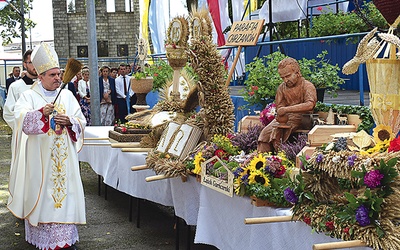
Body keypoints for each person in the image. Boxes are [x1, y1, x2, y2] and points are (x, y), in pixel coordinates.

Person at [10, 42, 86, 250]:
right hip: (39, 162)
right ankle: (43, 238)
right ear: (40, 76)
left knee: (65, 196)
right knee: (43, 197)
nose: (57, 78)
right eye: (52, 75)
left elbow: (81, 121)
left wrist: (70, 121)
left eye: (59, 74)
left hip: (64, 163)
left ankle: (65, 239)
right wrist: (40, 114)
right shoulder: (29, 96)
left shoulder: (68, 96)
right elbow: (21, 121)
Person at [257, 57, 317, 153]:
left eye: (288, 76)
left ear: (297, 73)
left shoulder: (307, 86)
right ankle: (262, 159)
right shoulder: (282, 88)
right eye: (282, 78)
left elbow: (310, 104)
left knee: (277, 132)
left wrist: (286, 109)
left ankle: (281, 158)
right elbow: (279, 106)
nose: (285, 80)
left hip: (303, 118)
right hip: (284, 118)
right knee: (264, 134)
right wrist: (281, 109)